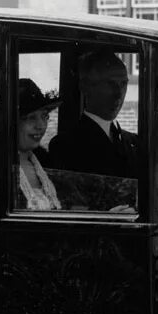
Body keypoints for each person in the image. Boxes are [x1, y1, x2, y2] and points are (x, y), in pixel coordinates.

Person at [49, 50, 138, 209]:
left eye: (123, 84)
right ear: (85, 87)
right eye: (110, 84)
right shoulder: (65, 145)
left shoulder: (134, 142)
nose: (119, 94)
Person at [14, 78, 83, 210]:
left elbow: (72, 211)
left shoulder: (47, 163)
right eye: (31, 117)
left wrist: (108, 216)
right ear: (11, 121)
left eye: (44, 116)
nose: (40, 126)